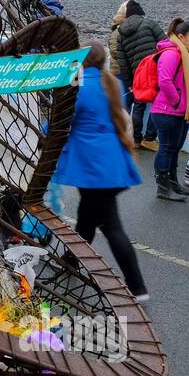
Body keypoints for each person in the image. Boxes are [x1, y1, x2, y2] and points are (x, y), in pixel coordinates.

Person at [53, 43, 149, 301]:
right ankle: (70, 260)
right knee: (86, 217)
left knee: (111, 226)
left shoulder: (79, 87)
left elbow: (63, 120)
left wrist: (42, 132)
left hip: (92, 166)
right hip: (112, 161)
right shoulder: (112, 84)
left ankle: (137, 287)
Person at [150, 18, 189, 201]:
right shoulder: (172, 54)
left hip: (179, 111)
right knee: (167, 148)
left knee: (174, 149)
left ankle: (173, 182)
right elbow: (165, 81)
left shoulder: (185, 53)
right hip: (167, 111)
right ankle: (162, 187)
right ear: (181, 37)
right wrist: (177, 102)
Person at [114, 0, 162, 151]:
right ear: (140, 12)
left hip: (137, 75)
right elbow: (165, 44)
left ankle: (135, 139)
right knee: (157, 103)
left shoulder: (121, 34)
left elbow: (123, 63)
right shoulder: (149, 23)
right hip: (155, 70)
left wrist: (130, 82)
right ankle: (149, 138)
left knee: (139, 105)